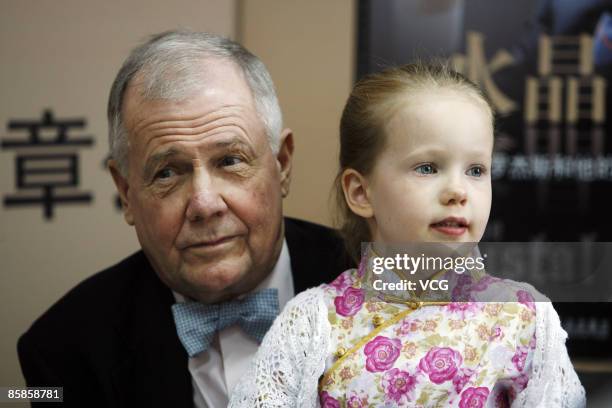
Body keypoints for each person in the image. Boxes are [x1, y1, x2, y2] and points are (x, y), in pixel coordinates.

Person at [17, 30, 351, 408]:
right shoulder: (62, 348)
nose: (205, 204)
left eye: (230, 160)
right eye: (167, 173)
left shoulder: (381, 280)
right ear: (126, 192)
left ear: (282, 165)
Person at [229, 63, 586, 407]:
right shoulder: (312, 322)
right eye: (428, 168)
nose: (458, 191)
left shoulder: (524, 316)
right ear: (360, 192)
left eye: (476, 170)